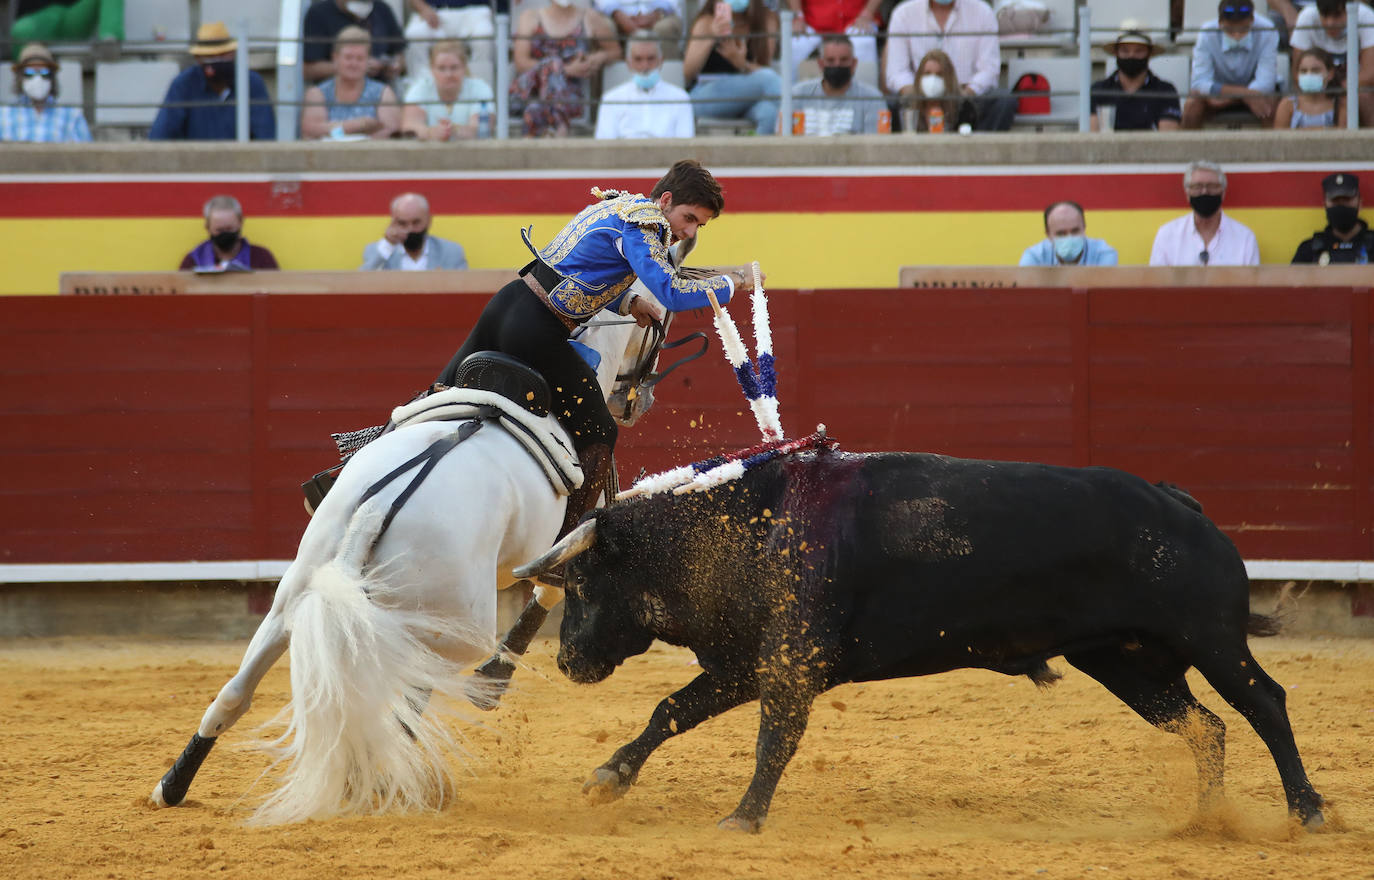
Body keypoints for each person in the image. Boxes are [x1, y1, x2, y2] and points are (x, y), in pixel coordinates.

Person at [435, 160, 758, 538]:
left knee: (437, 397)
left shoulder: (615, 205)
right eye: (688, 218)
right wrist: (734, 281)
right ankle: (564, 547)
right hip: (539, 330)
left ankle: (372, 445)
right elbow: (671, 292)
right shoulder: (647, 224)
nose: (687, 231)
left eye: (698, 226)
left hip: (507, 305)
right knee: (602, 431)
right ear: (666, 199)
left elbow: (583, 267)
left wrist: (628, 302)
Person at [884, 0, 1017, 132]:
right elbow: (896, 72)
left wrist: (965, 94)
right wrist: (919, 96)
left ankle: (979, 151)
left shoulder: (983, 12)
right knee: (888, 105)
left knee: (1004, 101)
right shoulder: (903, 14)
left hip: (966, 98)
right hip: (919, 98)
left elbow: (989, 69)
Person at [148, 22, 276, 141]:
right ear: (198, 59)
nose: (217, 61)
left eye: (222, 55)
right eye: (210, 57)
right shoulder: (183, 85)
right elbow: (160, 137)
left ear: (233, 54)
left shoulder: (251, 83)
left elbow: (266, 136)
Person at [511, 0, 622, 137]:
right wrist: (565, 69)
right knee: (553, 64)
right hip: (533, 90)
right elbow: (521, 62)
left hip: (568, 94)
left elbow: (615, 52)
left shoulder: (589, 17)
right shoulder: (530, 17)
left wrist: (597, 58)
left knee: (536, 109)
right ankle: (560, 131)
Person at [684, 0, 783, 135]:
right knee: (769, 79)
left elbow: (763, 71)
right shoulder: (706, 22)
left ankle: (758, 155)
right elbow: (687, 73)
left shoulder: (766, 20)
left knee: (769, 113)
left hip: (748, 96)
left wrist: (742, 64)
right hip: (706, 95)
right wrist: (711, 37)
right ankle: (800, 110)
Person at [1182, 2, 1279, 128]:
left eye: (1243, 29)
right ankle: (1189, 147)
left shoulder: (1267, 30)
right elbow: (1199, 83)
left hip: (1252, 94)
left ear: (1252, 20)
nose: (1237, 35)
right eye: (1230, 30)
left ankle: (1272, 147)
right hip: (1218, 96)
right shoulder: (1206, 33)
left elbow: (1266, 83)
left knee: (1270, 106)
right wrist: (1244, 94)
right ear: (1220, 23)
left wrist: (1238, 95)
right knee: (1192, 105)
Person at [1149, 160, 1260, 266]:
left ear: (1223, 193)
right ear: (1187, 193)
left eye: (1212, 186)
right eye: (1197, 186)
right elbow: (1156, 282)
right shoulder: (1167, 236)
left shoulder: (1245, 238)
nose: (1204, 192)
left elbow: (1253, 284)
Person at [301, 26, 402, 140]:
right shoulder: (317, 94)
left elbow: (391, 132)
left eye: (360, 58)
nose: (354, 64)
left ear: (368, 60)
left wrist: (335, 130)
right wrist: (359, 125)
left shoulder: (383, 93)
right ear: (335, 58)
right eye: (348, 58)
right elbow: (311, 131)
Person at [1288, 0, 1374, 126]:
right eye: (1325, 15)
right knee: (1289, 103)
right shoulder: (1306, 18)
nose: (1330, 23)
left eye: (1337, 15)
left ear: (1347, 10)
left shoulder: (1366, 17)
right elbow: (1297, 72)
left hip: (1353, 89)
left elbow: (1370, 73)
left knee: (1364, 96)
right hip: (1320, 88)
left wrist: (1339, 89)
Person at [595, 32, 695, 138]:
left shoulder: (680, 98)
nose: (645, 66)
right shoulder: (611, 100)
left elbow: (686, 146)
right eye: (638, 59)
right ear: (628, 63)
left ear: (661, 61)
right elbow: (605, 148)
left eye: (651, 59)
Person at [1090, 24, 1182, 132]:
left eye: (1138, 51)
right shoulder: (1099, 90)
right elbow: (1093, 136)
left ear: (1149, 53)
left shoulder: (1165, 91)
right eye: (1125, 51)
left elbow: (1167, 139)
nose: (1131, 56)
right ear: (1116, 53)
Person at [789, 34, 886, 135]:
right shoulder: (798, 94)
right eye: (831, 60)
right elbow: (782, 137)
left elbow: (876, 144)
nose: (837, 65)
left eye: (843, 60)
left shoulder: (872, 99)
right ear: (821, 64)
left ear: (854, 64)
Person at [401, 39, 495, 140]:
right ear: (432, 69)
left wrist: (454, 130)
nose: (448, 74)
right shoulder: (419, 88)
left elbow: (482, 130)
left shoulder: (480, 88)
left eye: (454, 68)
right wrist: (431, 133)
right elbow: (410, 127)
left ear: (464, 67)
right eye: (441, 68)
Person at [0, 42, 91, 142]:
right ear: (20, 77)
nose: (37, 79)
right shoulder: (3, 115)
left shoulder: (72, 116)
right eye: (29, 73)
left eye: (44, 73)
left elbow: (89, 154)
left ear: (52, 77)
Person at [302, 0, 406, 84]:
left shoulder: (382, 9)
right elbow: (307, 70)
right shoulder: (319, 14)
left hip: (379, 88)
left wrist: (392, 66)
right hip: (335, 92)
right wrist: (356, 66)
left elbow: (400, 55)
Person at [360, 193, 468, 270]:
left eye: (416, 223)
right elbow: (361, 284)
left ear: (428, 221)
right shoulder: (379, 251)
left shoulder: (450, 252)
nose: (410, 229)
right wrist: (388, 244)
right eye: (403, 223)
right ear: (394, 222)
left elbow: (465, 289)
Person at [403, 0, 499, 83]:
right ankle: (421, 93)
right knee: (414, 35)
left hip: (475, 11)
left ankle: (482, 94)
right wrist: (423, 8)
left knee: (484, 37)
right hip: (434, 11)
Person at [179, 195, 280, 271]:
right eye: (219, 230)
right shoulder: (194, 261)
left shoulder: (261, 258)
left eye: (229, 229)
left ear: (240, 222)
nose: (225, 234)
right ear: (207, 227)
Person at [785, 0, 881, 79]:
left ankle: (865, 99)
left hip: (856, 18)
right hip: (811, 19)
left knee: (864, 42)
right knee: (796, 44)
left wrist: (868, 12)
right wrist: (798, 15)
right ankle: (790, 98)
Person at [1291, 173, 1373, 263]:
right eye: (1335, 201)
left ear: (1360, 203)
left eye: (1347, 199)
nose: (1341, 205)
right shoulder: (1308, 250)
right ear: (1325, 205)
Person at [1019, 201, 1119, 267]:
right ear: (1048, 234)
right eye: (1061, 234)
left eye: (1075, 231)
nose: (1069, 238)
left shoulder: (1103, 254)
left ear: (1084, 228)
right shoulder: (1035, 256)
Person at [9, 0, 122, 57]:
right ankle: (24, 75)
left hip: (73, 13)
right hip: (37, 18)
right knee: (21, 30)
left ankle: (110, 39)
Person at [905, 48, 976, 132]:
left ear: (949, 78)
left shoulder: (964, 109)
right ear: (919, 77)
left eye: (939, 75)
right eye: (927, 74)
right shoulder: (908, 107)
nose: (933, 79)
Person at [1274, 48, 1346, 128]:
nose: (1309, 75)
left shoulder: (1341, 104)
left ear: (1330, 74)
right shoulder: (1287, 105)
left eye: (1315, 70)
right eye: (1304, 71)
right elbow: (1279, 138)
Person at [596, 0, 685, 59]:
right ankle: (608, 86)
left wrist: (657, 14)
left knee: (664, 28)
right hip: (614, 13)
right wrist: (617, 15)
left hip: (663, 12)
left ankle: (669, 82)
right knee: (603, 27)